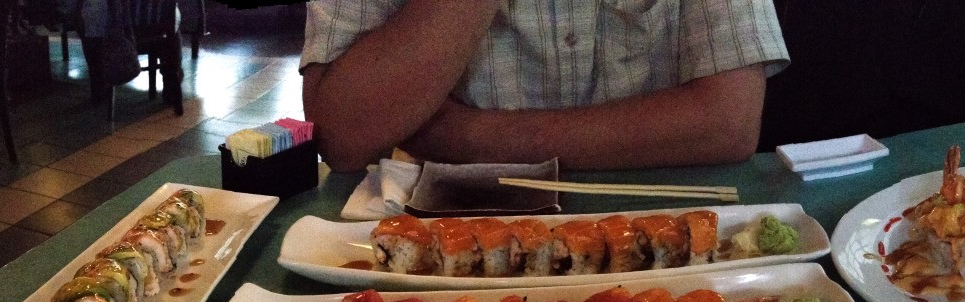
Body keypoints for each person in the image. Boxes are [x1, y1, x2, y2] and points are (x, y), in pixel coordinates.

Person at [300, 0, 790, 173]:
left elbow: (729, 121)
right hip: (439, 243)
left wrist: (465, 137)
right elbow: (342, 135)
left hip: (665, 242)